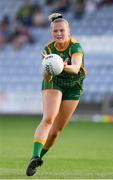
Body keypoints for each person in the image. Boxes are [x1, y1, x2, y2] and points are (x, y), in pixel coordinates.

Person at [26, 13, 86, 176]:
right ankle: (35, 155)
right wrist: (48, 67)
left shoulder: (75, 46)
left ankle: (37, 161)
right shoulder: (48, 50)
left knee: (55, 132)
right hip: (54, 82)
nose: (59, 34)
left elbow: (75, 68)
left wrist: (60, 65)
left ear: (68, 31)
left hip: (73, 86)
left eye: (62, 30)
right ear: (51, 32)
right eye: (55, 31)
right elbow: (47, 77)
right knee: (49, 118)